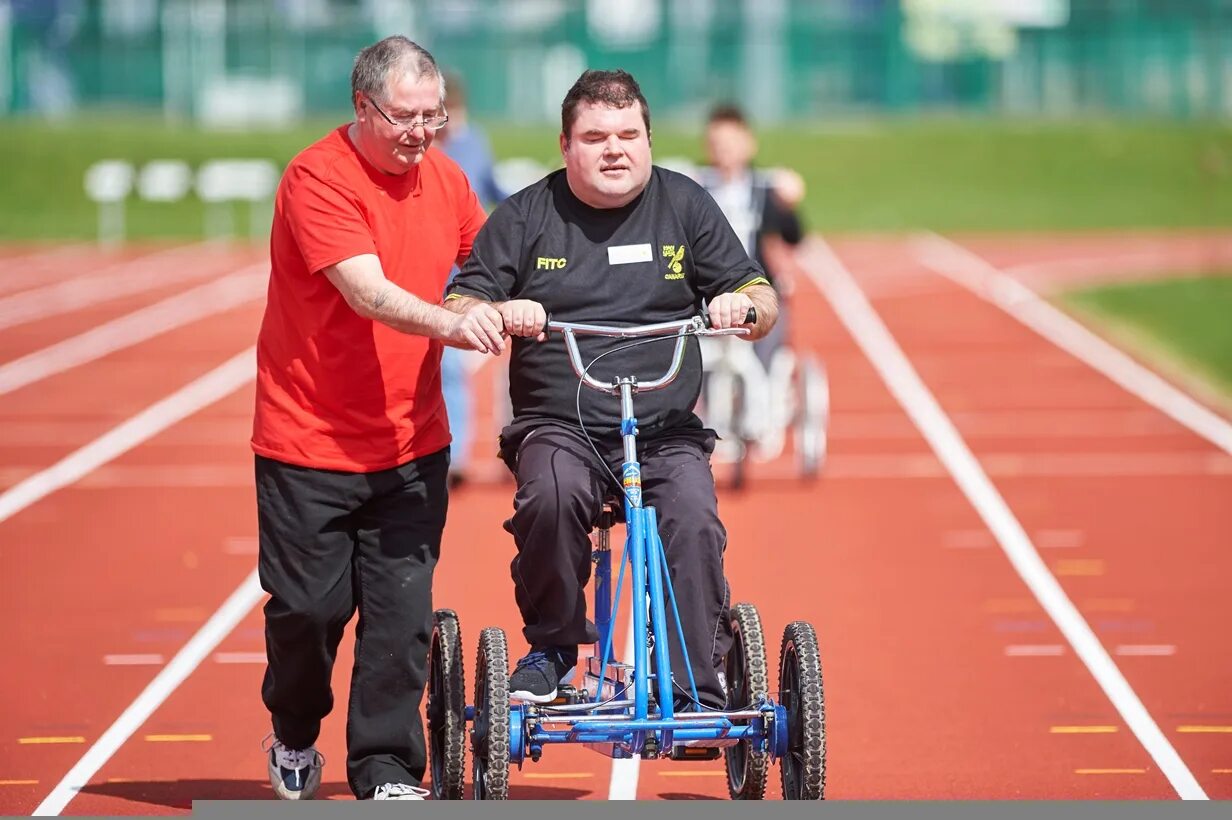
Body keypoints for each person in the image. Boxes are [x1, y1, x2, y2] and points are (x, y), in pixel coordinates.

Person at [445, 69, 779, 710]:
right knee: (550, 496)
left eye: (628, 134)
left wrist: (743, 310)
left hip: (662, 428)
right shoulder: (526, 214)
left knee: (694, 516)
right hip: (560, 425)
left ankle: (693, 684)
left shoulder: (684, 205)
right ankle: (553, 650)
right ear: (566, 145)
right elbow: (464, 298)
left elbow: (758, 293)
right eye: (595, 136)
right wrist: (497, 313)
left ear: (649, 140)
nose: (614, 149)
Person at [251, 36, 505, 801]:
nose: (422, 133)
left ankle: (386, 770)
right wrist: (453, 323)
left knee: (401, 620)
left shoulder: (448, 177)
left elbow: (492, 255)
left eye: (434, 116)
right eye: (405, 118)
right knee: (308, 613)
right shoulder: (317, 178)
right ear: (363, 108)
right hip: (308, 442)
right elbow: (367, 292)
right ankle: (295, 729)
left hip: (412, 441)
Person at [435, 72, 509, 488]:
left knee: (451, 365)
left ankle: (455, 454)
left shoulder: (474, 144)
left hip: (459, 274)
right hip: (420, 270)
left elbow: (494, 187)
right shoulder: (419, 147)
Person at [696, 104, 805, 367]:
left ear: (748, 144)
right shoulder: (697, 190)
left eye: (731, 142)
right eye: (717, 143)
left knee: (765, 358)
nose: (724, 150)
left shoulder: (764, 190)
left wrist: (787, 205)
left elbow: (793, 236)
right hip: (712, 291)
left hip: (756, 286)